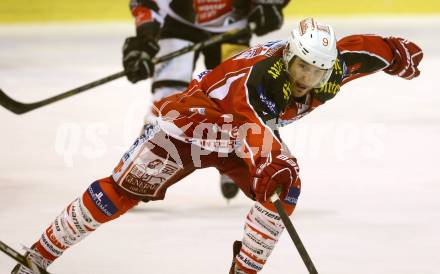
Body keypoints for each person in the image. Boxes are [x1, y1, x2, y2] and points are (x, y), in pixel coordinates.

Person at [11, 17, 423, 274]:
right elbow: (254, 131)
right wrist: (270, 164)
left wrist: (396, 53)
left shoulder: (328, 69)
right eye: (300, 68)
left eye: (316, 73)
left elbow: (364, 50)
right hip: (190, 125)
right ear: (287, 59)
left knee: (282, 189)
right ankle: (38, 257)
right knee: (122, 190)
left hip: (244, 130)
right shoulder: (260, 81)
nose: (306, 80)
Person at [122, 0, 292, 200]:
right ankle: (146, 162)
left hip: (231, 25)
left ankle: (244, 159)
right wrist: (145, 38)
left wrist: (268, 5)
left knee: (240, 94)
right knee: (168, 94)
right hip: (178, 23)